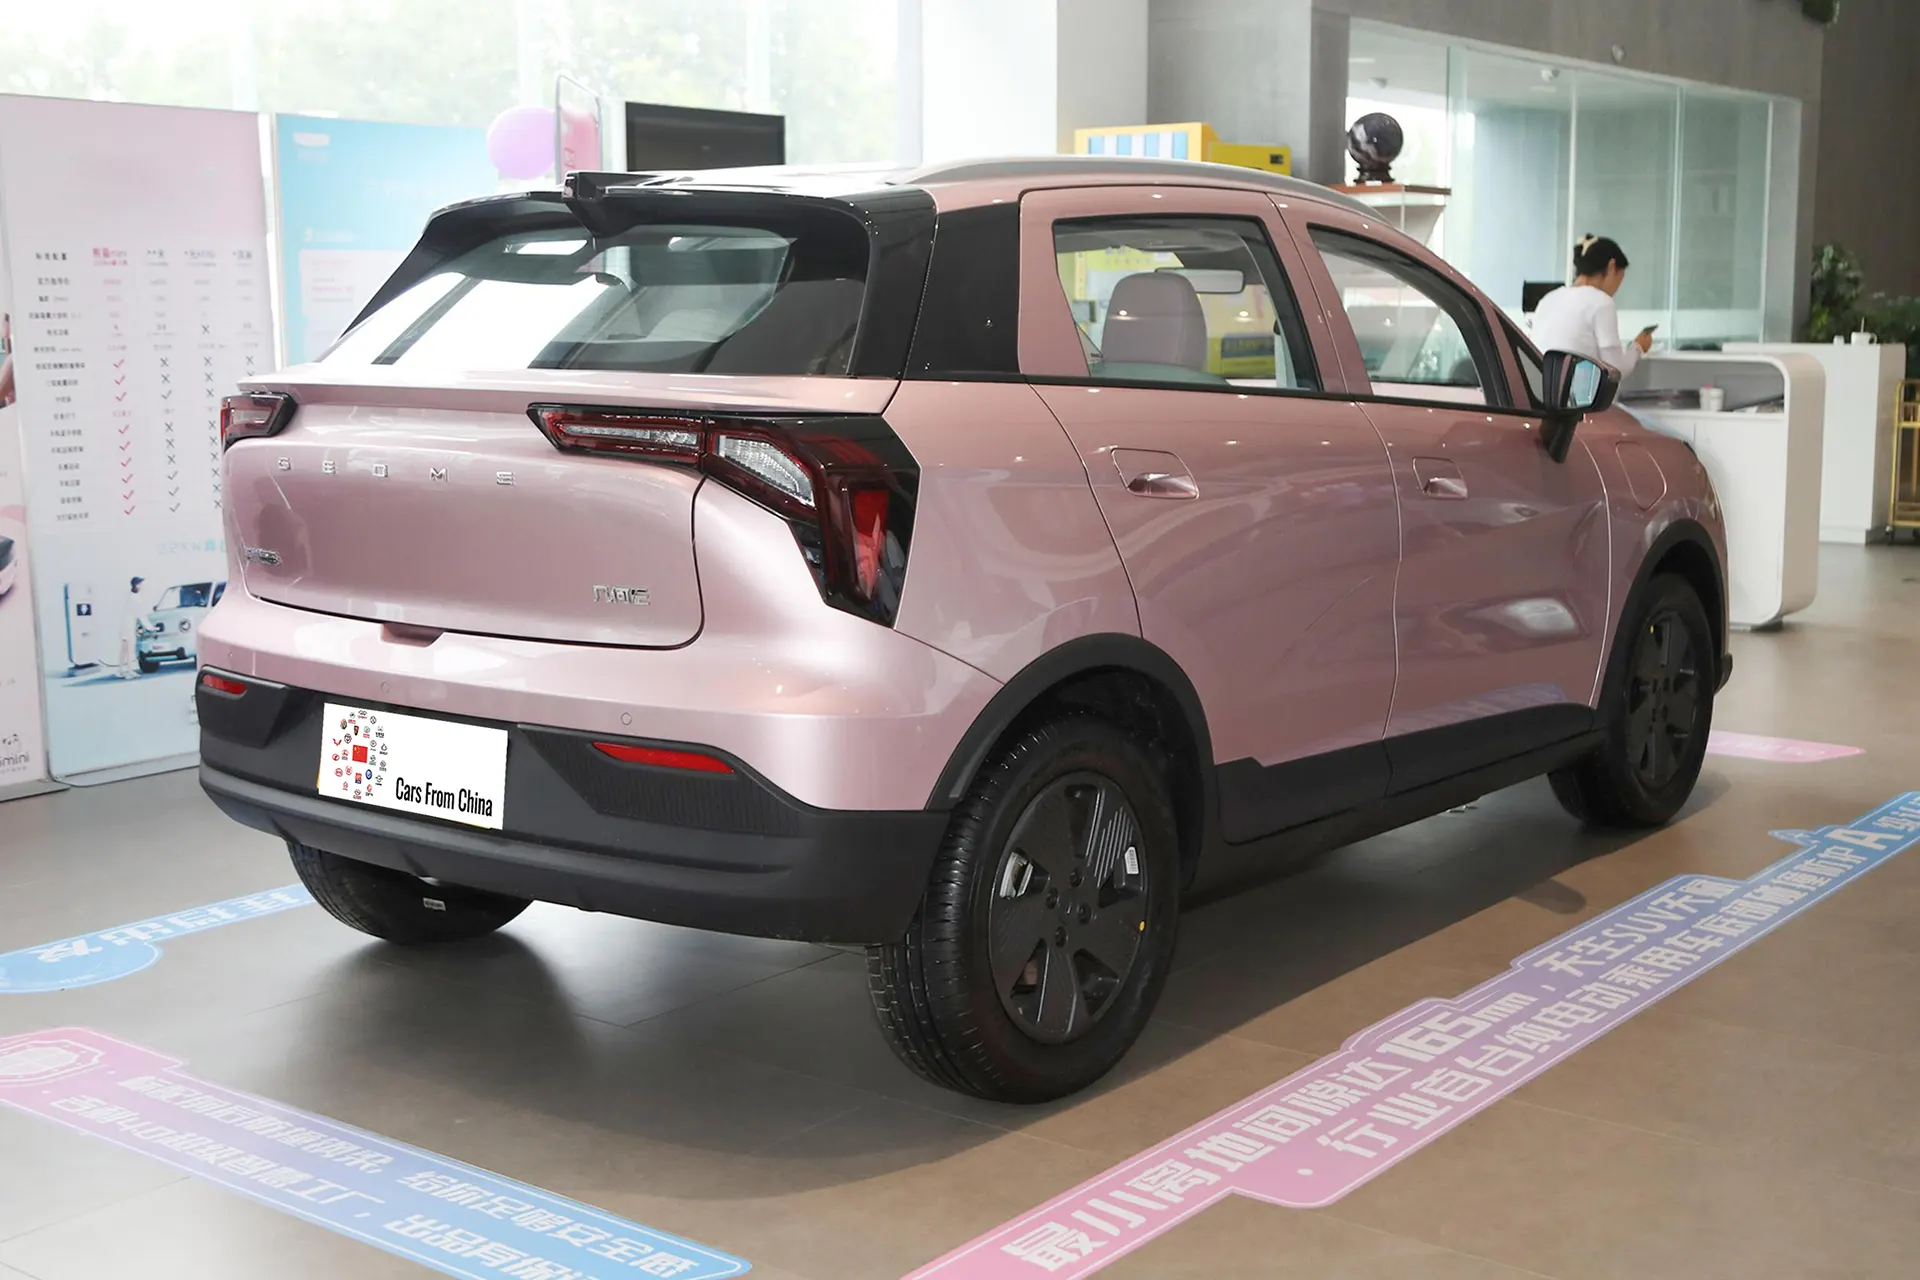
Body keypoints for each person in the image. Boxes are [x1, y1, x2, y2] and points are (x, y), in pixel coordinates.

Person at [1529, 235, 1653, 377]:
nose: (1616, 290)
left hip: (1541, 388)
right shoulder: (1602, 302)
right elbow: (1615, 371)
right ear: (1611, 267)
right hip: (1576, 390)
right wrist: (1637, 347)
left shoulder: (1548, 299)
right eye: (1619, 279)